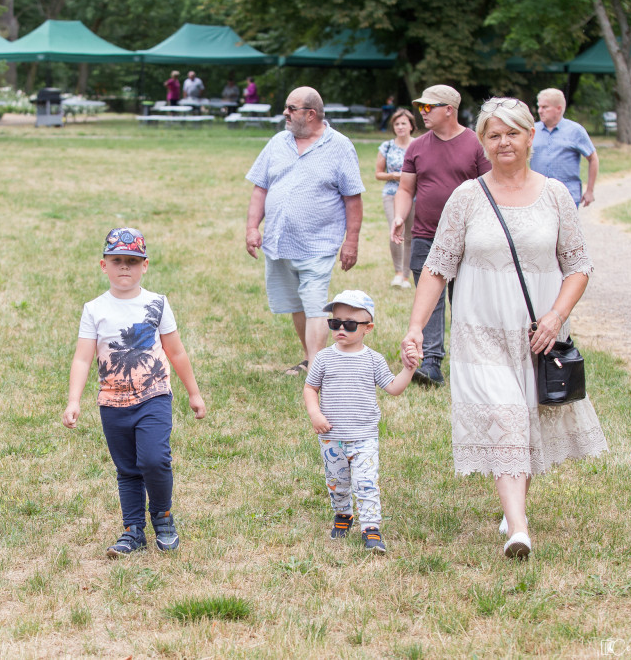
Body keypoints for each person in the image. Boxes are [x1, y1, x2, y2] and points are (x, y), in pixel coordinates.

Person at [400, 97, 608, 560]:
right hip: (481, 331)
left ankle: (513, 504)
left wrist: (556, 316)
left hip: (538, 333)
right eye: (493, 135)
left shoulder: (555, 194)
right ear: (483, 141)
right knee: (506, 416)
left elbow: (578, 266)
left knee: (527, 421)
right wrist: (416, 328)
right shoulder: (468, 197)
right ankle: (519, 530)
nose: (503, 142)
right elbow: (437, 266)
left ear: (531, 136)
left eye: (512, 132)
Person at [62, 227, 206, 558]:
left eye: (132, 261)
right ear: (104, 266)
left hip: (153, 396)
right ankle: (132, 531)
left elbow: (177, 351)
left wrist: (193, 393)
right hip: (112, 403)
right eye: (117, 261)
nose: (124, 267)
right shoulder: (94, 309)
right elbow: (83, 357)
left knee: (154, 460)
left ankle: (163, 517)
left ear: (145, 266)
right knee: (127, 469)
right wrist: (74, 401)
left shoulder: (157, 303)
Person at [245, 86, 365, 375]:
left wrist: (351, 241)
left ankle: (316, 369)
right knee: (296, 304)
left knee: (314, 304)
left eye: (291, 108)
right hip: (279, 242)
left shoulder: (340, 146)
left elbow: (353, 199)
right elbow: (260, 189)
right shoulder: (277, 142)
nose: (285, 113)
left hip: (318, 244)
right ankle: (312, 360)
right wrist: (252, 227)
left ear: (310, 114)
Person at [390, 84, 491, 387]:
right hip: (425, 234)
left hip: (468, 238)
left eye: (427, 108)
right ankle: (431, 363)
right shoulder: (417, 146)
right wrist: (399, 215)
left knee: (465, 299)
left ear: (449, 109)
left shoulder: (476, 144)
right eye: (420, 107)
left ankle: (468, 362)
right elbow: (406, 189)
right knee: (429, 300)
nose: (422, 113)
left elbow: (489, 190)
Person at [303, 290, 417, 554]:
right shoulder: (323, 358)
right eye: (335, 322)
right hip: (332, 437)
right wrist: (314, 413)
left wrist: (408, 369)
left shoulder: (373, 359)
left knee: (366, 483)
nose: (341, 328)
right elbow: (310, 388)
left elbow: (393, 388)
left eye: (350, 324)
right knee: (337, 481)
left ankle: (370, 528)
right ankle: (343, 514)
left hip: (364, 436)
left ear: (368, 328)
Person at [530, 88, 599, 207]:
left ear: (558, 109)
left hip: (567, 195)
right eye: (539, 106)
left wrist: (590, 191)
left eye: (545, 107)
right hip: (538, 195)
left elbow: (593, 158)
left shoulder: (575, 131)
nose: (540, 111)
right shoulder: (532, 131)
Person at [376, 107, 417, 289]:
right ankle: (398, 273)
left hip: (414, 196)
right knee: (395, 232)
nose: (400, 127)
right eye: (397, 124)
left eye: (403, 123)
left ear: (411, 126)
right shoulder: (387, 146)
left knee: (410, 235)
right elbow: (378, 173)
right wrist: (395, 176)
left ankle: (407, 277)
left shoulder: (418, 144)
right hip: (391, 194)